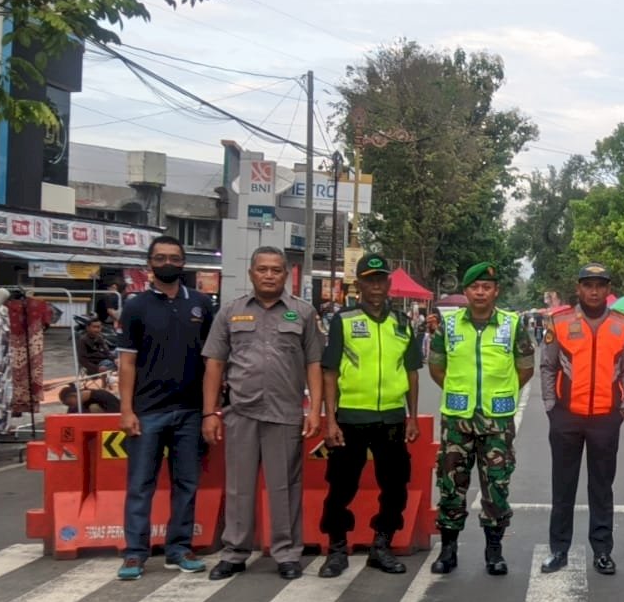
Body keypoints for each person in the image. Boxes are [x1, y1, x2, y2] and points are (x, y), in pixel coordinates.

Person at [201, 247, 324, 581]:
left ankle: (286, 554)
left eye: (276, 270)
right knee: (239, 486)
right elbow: (214, 364)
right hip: (240, 411)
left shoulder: (302, 313)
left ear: (286, 274)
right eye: (263, 270)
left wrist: (315, 410)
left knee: (285, 485)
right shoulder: (231, 313)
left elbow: (314, 363)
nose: (269, 275)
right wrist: (210, 412)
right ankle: (235, 553)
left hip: (285, 413)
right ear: (252, 273)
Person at [113, 236, 217, 580]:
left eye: (174, 257)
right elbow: (127, 363)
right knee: (141, 485)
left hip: (190, 410)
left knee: (186, 483)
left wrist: (210, 410)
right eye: (160, 258)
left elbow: (213, 361)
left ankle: (179, 548)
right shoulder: (136, 307)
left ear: (184, 263)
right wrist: (126, 410)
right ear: (150, 264)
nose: (168, 263)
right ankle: (135, 553)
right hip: (148, 411)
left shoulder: (202, 304)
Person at [315, 253, 422, 579]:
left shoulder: (402, 323)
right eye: (369, 279)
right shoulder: (343, 321)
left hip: (391, 419)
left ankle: (382, 544)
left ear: (389, 282)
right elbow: (330, 371)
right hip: (350, 419)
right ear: (359, 283)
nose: (376, 285)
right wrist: (330, 419)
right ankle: (336, 548)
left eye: (381, 279)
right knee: (341, 485)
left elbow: (412, 373)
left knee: (395, 486)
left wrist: (412, 417)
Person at [426, 262, 535, 576]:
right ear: (466, 291)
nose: (480, 292)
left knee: (497, 485)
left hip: (496, 422)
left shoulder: (512, 325)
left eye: (487, 287)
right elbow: (436, 366)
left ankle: (494, 549)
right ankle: (448, 549)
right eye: (475, 287)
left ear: (496, 291)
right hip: (457, 420)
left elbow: (525, 366)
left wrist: (503, 390)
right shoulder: (449, 326)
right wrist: (457, 390)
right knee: (450, 484)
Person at [538, 263, 624, 575]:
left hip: (606, 419)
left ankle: (602, 551)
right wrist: (551, 406)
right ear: (578, 288)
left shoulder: (623, 325)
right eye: (588, 285)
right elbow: (547, 366)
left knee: (602, 487)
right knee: (563, 487)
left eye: (600, 285)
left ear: (608, 290)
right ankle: (558, 549)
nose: (594, 291)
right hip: (567, 416)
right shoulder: (560, 321)